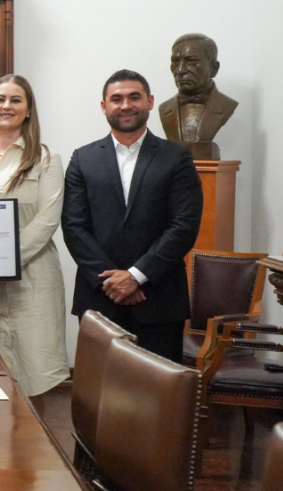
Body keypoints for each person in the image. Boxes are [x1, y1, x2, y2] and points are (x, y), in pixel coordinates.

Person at [62, 69, 203, 363]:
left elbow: (184, 225)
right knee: (99, 388)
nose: (125, 105)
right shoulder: (83, 158)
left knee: (159, 389)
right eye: (116, 99)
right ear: (104, 107)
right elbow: (74, 227)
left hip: (159, 300)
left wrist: (137, 276)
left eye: (134, 97)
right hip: (99, 300)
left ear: (150, 101)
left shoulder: (177, 157)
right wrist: (113, 282)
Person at [0, 74, 68, 404]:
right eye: (0, 99)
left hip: (32, 283)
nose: (7, 106)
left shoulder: (47, 159)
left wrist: (5, 262)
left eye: (15, 100)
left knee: (34, 378)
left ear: (28, 109)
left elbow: (47, 221)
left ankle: (34, 439)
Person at [158, 33, 239, 159]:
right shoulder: (164, 109)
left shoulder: (226, 106)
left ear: (213, 68)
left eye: (191, 61)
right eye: (175, 61)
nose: (180, 70)